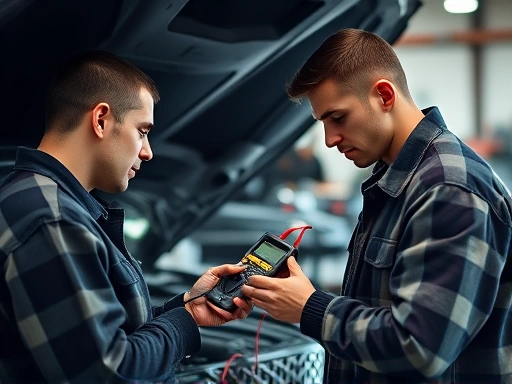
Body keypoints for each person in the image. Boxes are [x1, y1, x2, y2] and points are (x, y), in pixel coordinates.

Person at [242, 28, 512, 383]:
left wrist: (310, 308)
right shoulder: (398, 180)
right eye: (323, 123)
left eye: (338, 118)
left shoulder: (449, 187)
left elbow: (419, 347)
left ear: (384, 95)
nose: (329, 140)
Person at [0, 51, 252, 383]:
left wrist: (188, 309)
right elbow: (108, 371)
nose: (147, 151)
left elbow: (108, 332)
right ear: (101, 119)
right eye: (142, 130)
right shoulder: (53, 220)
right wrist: (186, 320)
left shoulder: (35, 198)